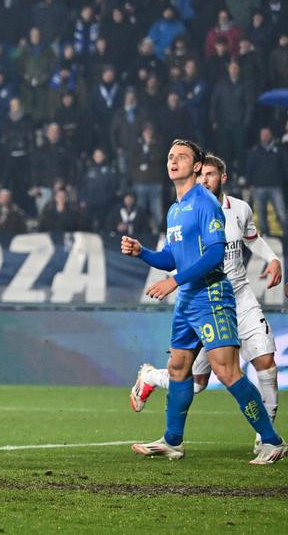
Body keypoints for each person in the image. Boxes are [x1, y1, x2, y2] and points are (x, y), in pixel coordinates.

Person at [120, 139, 285, 464]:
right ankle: (172, 441)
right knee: (179, 370)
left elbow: (214, 253)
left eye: (181, 156)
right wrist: (143, 253)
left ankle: (271, 440)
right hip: (188, 300)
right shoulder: (175, 208)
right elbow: (172, 257)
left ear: (197, 166)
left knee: (227, 372)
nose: (173, 161)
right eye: (170, 156)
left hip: (211, 295)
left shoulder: (204, 202)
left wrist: (175, 281)